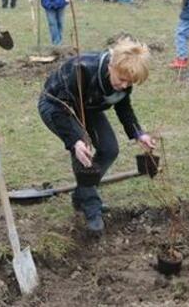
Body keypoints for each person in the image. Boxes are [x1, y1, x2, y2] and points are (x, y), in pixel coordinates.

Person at [38, 37, 156, 234]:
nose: (125, 85)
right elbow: (60, 109)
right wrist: (75, 140)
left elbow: (123, 106)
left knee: (110, 149)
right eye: (122, 79)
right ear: (111, 65)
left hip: (89, 107)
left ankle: (81, 193)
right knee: (83, 152)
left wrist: (138, 134)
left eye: (130, 82)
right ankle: (91, 207)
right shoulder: (81, 70)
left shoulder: (124, 77)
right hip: (57, 107)